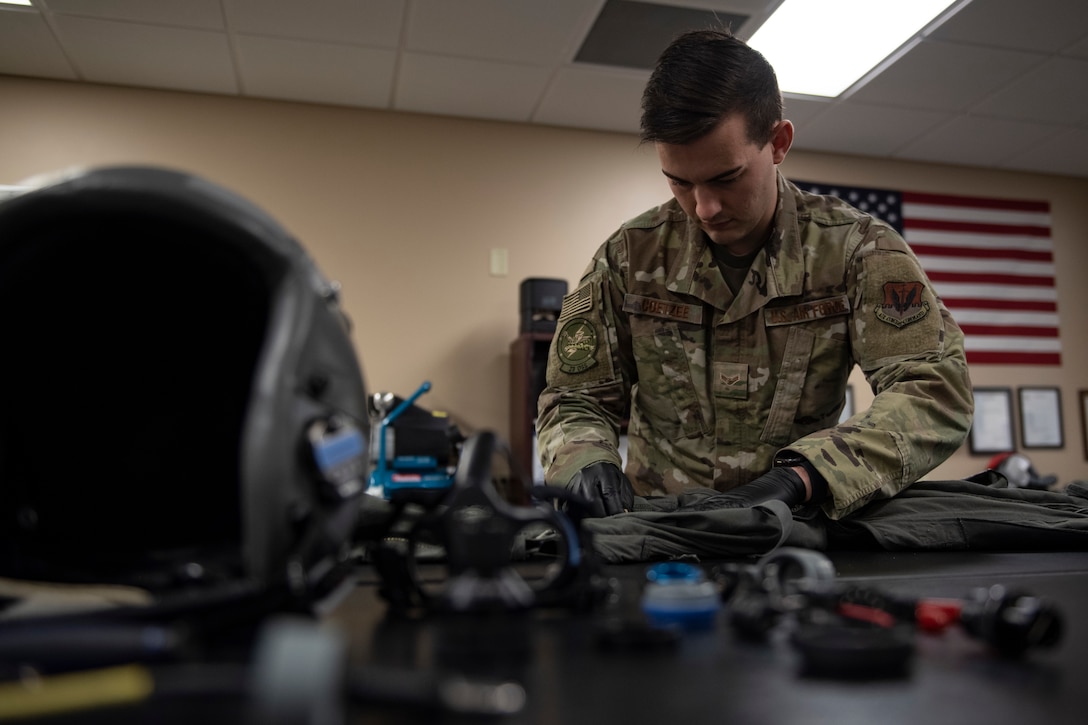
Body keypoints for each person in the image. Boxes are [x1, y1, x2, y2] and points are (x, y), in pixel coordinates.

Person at [535, 28, 974, 520]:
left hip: (796, 525)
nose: (704, 207)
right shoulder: (629, 257)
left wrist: (803, 477)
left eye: (726, 178)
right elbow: (574, 397)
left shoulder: (856, 250)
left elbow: (934, 390)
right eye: (679, 182)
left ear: (778, 142)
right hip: (662, 532)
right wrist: (586, 461)